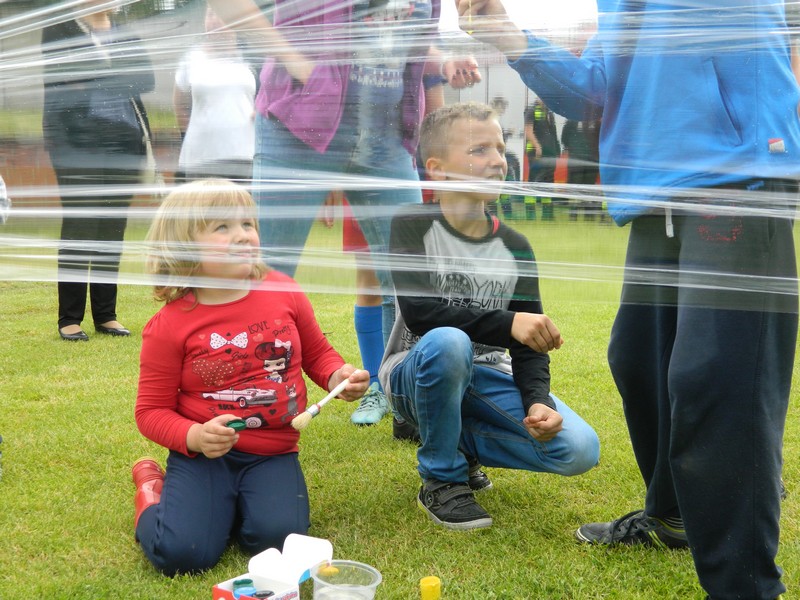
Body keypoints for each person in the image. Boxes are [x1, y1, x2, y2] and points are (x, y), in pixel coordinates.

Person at [458, 1, 800, 598]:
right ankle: (673, 517)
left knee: (717, 381)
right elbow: (594, 88)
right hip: (654, 200)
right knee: (639, 360)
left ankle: (746, 586)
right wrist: (504, 32)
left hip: (734, 186)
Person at [378, 103, 600, 531]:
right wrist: (508, 323)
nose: (498, 160)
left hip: (485, 376)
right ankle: (442, 479)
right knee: (449, 342)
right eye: (479, 150)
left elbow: (529, 346)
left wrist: (537, 400)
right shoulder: (412, 224)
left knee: (578, 449)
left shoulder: (515, 247)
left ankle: (460, 443)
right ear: (437, 169)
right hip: (414, 374)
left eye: (500, 147)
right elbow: (420, 314)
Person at [133, 179, 369, 575]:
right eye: (222, 227)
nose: (243, 235)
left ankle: (225, 508)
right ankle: (151, 494)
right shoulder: (170, 324)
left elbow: (317, 355)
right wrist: (195, 436)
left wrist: (337, 377)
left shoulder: (283, 291)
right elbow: (150, 411)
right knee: (184, 553)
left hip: (272, 453)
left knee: (277, 541)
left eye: (247, 224)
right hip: (204, 457)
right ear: (183, 246)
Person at [42, 1, 155, 341]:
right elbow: (68, 77)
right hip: (77, 145)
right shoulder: (60, 29)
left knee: (112, 228)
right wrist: (115, 75)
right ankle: (69, 318)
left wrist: (99, 77)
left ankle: (106, 315)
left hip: (124, 142)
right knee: (79, 226)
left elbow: (145, 79)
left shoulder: (125, 34)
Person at [173, 3, 256, 181]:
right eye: (210, 14)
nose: (215, 20)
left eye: (222, 14)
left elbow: (265, 101)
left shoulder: (251, 58)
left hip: (244, 154)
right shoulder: (191, 58)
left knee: (241, 200)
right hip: (201, 156)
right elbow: (180, 106)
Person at [523, 98, 560, 220]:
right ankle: (530, 213)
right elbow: (528, 131)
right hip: (536, 153)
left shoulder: (549, 113)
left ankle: (547, 214)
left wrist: (557, 150)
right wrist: (537, 146)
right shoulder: (531, 110)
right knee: (534, 180)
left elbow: (553, 133)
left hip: (550, 152)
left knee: (548, 181)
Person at [560, 118, 601, 221]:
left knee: (589, 186)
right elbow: (564, 138)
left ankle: (588, 214)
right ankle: (573, 213)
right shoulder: (571, 121)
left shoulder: (595, 121)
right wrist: (573, 150)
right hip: (576, 159)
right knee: (575, 185)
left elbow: (600, 137)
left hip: (592, 159)